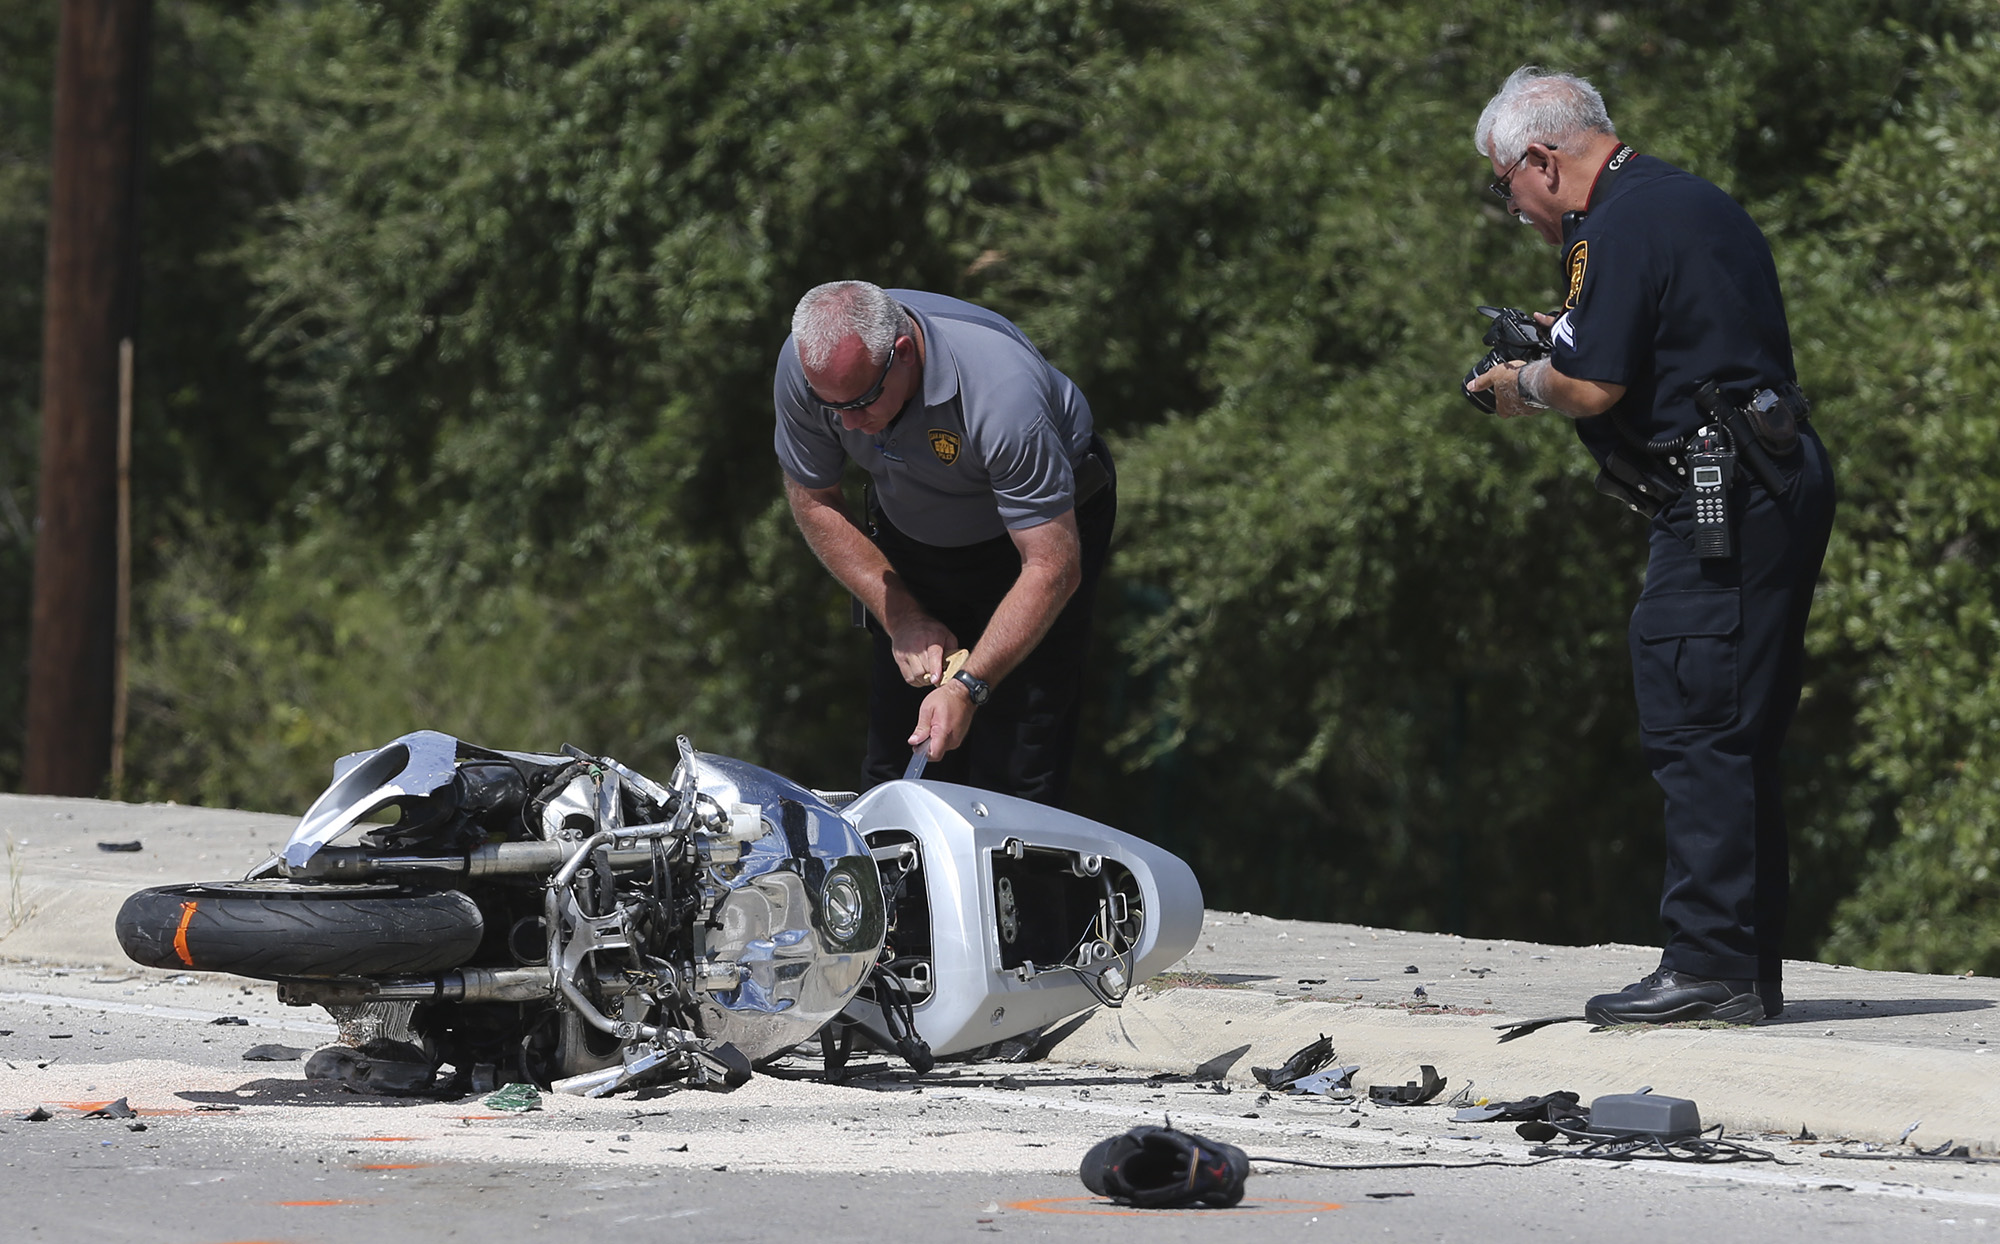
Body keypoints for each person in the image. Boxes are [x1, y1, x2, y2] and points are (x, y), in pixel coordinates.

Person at [1465, 68, 1836, 1024]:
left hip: (1723, 498)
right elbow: (1667, 339)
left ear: (1541, 161)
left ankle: (1707, 964)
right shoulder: (1682, 200)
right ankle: (1740, 971)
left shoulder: (1617, 222)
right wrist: (1565, 338)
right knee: (1737, 728)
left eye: (1506, 189)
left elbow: (1590, 387)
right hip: (1769, 480)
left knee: (1695, 715)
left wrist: (1521, 383)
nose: (1516, 212)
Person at [773, 281, 1115, 806]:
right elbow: (815, 500)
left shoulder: (1001, 394)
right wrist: (902, 618)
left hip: (1032, 541)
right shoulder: (810, 369)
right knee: (894, 772)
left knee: (1014, 779)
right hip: (915, 528)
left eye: (861, 401)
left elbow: (1053, 566)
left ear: (903, 354)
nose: (845, 424)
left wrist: (968, 686)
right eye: (829, 406)